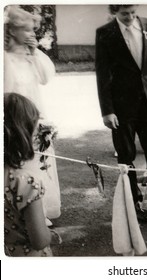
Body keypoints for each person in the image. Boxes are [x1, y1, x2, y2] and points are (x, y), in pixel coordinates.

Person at [95, 5, 147, 210]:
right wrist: (107, 110)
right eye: (124, 14)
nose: (130, 17)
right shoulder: (105, 33)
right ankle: (132, 198)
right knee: (126, 154)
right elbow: (103, 73)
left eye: (133, 12)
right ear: (115, 12)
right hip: (121, 106)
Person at [4, 6, 61, 224]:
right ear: (12, 31)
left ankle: (41, 210)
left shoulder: (32, 56)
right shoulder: (4, 58)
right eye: (26, 30)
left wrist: (35, 52)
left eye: (32, 30)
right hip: (14, 120)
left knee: (40, 161)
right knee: (19, 164)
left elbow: (46, 78)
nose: (31, 34)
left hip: (35, 117)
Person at [4, 93, 62, 256]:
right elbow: (39, 240)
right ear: (23, 135)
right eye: (35, 133)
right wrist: (49, 235)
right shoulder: (26, 182)